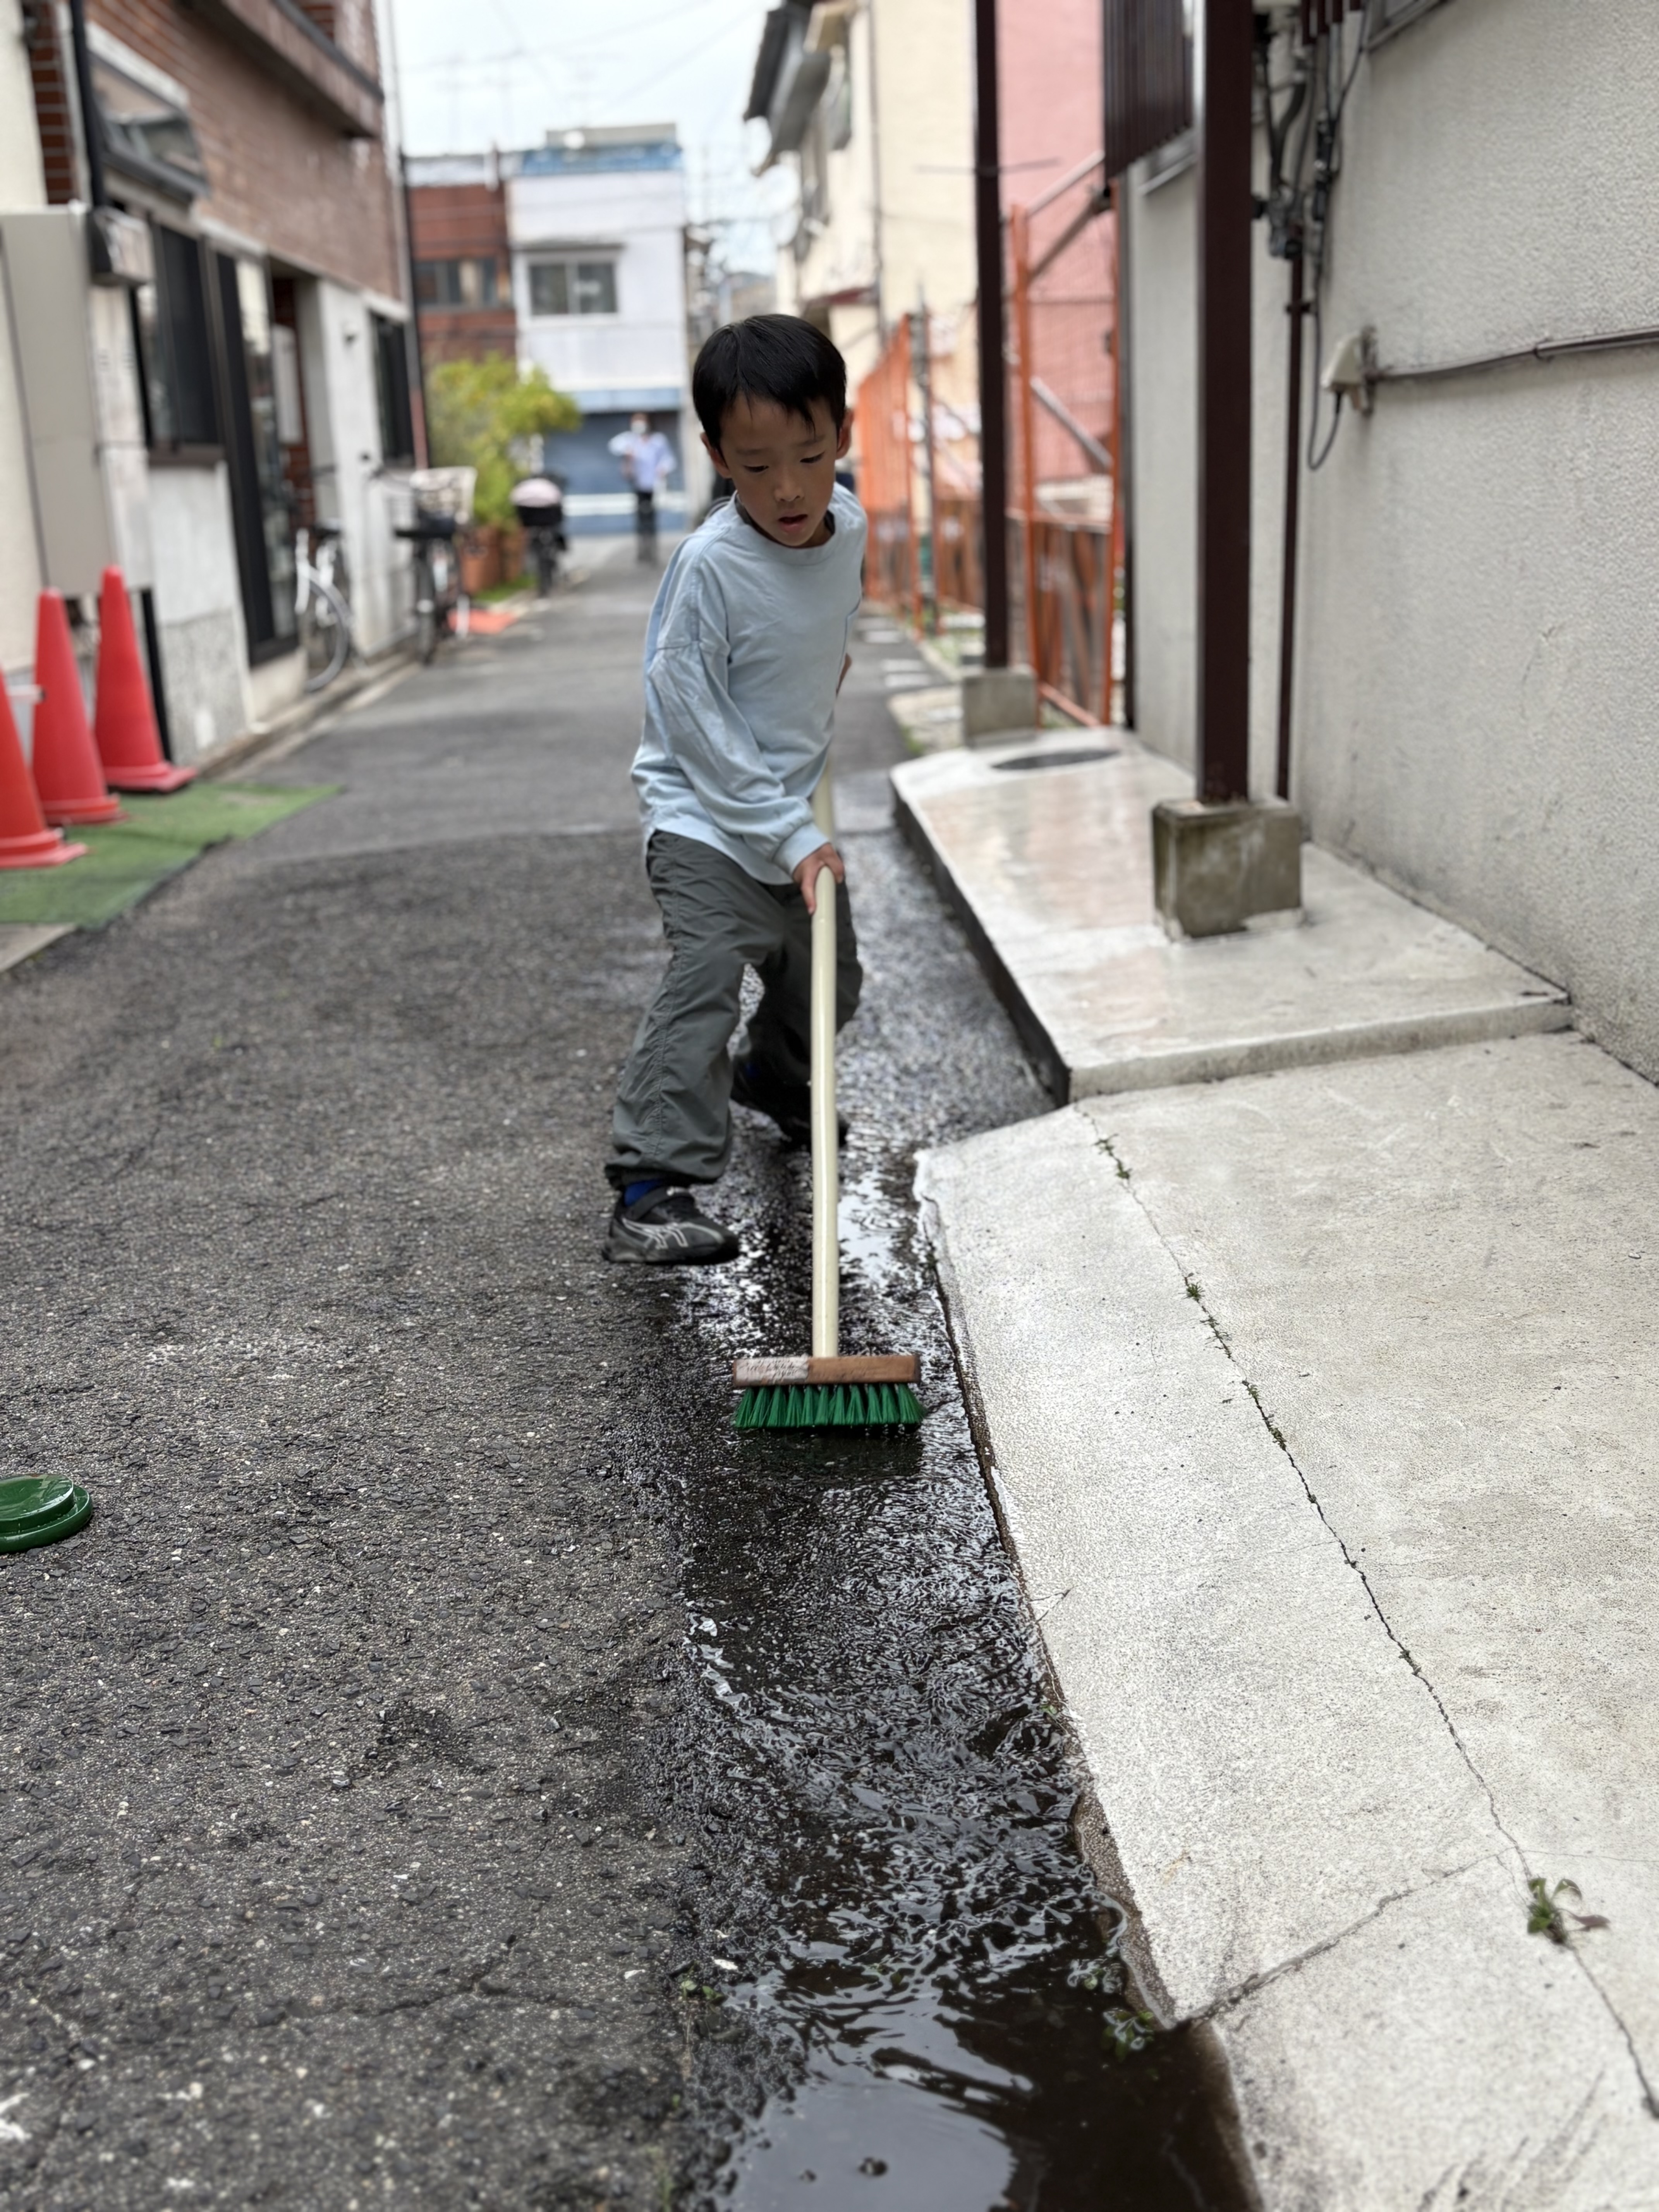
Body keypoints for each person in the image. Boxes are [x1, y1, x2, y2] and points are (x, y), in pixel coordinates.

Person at [603, 314, 864, 1266]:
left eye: (809, 456)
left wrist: (826, 675)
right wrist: (790, 835)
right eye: (756, 466)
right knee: (709, 971)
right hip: (704, 816)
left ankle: (775, 1079)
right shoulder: (711, 567)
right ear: (717, 457)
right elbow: (691, 714)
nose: (788, 488)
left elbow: (822, 622)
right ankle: (648, 1185)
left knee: (827, 978)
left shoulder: (849, 527)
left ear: (843, 433)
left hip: (784, 810)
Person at [608, 413, 676, 561]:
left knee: (652, 519)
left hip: (655, 486)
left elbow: (669, 460)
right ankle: (642, 551)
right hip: (638, 485)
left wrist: (663, 469)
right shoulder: (631, 440)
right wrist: (628, 451)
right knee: (640, 519)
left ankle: (652, 550)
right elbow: (614, 445)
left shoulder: (658, 441)